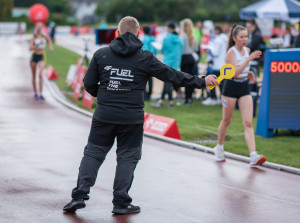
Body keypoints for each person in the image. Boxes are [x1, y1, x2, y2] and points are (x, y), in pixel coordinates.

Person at [63, 16, 218, 215]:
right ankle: (120, 202)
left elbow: (89, 83)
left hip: (104, 115)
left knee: (93, 154)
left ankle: (79, 196)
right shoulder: (145, 57)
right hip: (131, 118)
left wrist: (104, 97)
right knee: (127, 158)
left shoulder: (101, 54)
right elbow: (171, 75)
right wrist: (202, 81)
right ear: (138, 34)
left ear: (117, 33)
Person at [213, 24, 266, 166]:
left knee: (248, 122)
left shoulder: (247, 50)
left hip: (243, 87)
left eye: (246, 36)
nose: (245, 39)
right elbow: (235, 72)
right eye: (241, 37)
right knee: (226, 120)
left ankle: (253, 155)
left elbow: (242, 70)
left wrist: (249, 73)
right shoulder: (231, 52)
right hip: (230, 87)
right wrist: (249, 60)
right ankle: (219, 148)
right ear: (235, 38)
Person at [151, 22, 183, 108]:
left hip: (168, 61)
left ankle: (170, 102)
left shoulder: (167, 39)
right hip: (176, 62)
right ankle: (162, 100)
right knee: (168, 82)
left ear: (169, 29)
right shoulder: (179, 39)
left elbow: (163, 50)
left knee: (168, 82)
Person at [202, 25, 228, 106]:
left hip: (217, 65)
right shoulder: (225, 39)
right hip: (223, 65)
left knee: (211, 81)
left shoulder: (218, 40)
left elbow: (215, 53)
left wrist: (210, 48)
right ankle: (221, 99)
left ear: (217, 30)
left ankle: (212, 98)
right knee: (221, 83)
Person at [29, 22, 53, 100]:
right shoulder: (33, 36)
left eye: (40, 27)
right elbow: (30, 48)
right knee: (34, 75)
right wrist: (37, 45)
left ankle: (41, 93)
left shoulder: (44, 35)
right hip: (34, 56)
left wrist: (50, 47)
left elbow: (49, 40)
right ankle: (35, 93)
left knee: (40, 74)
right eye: (38, 27)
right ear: (36, 27)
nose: (39, 28)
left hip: (42, 56)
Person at [179, 18, 199, 105]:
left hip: (184, 58)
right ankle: (190, 97)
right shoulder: (193, 36)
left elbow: (180, 49)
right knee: (190, 78)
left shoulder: (182, 36)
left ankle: (187, 99)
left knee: (185, 79)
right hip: (191, 57)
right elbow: (196, 49)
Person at [142, 26, 157, 101]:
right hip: (152, 59)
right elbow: (155, 50)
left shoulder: (142, 38)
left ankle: (145, 94)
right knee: (150, 78)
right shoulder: (153, 38)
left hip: (144, 59)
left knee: (143, 77)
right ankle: (150, 94)